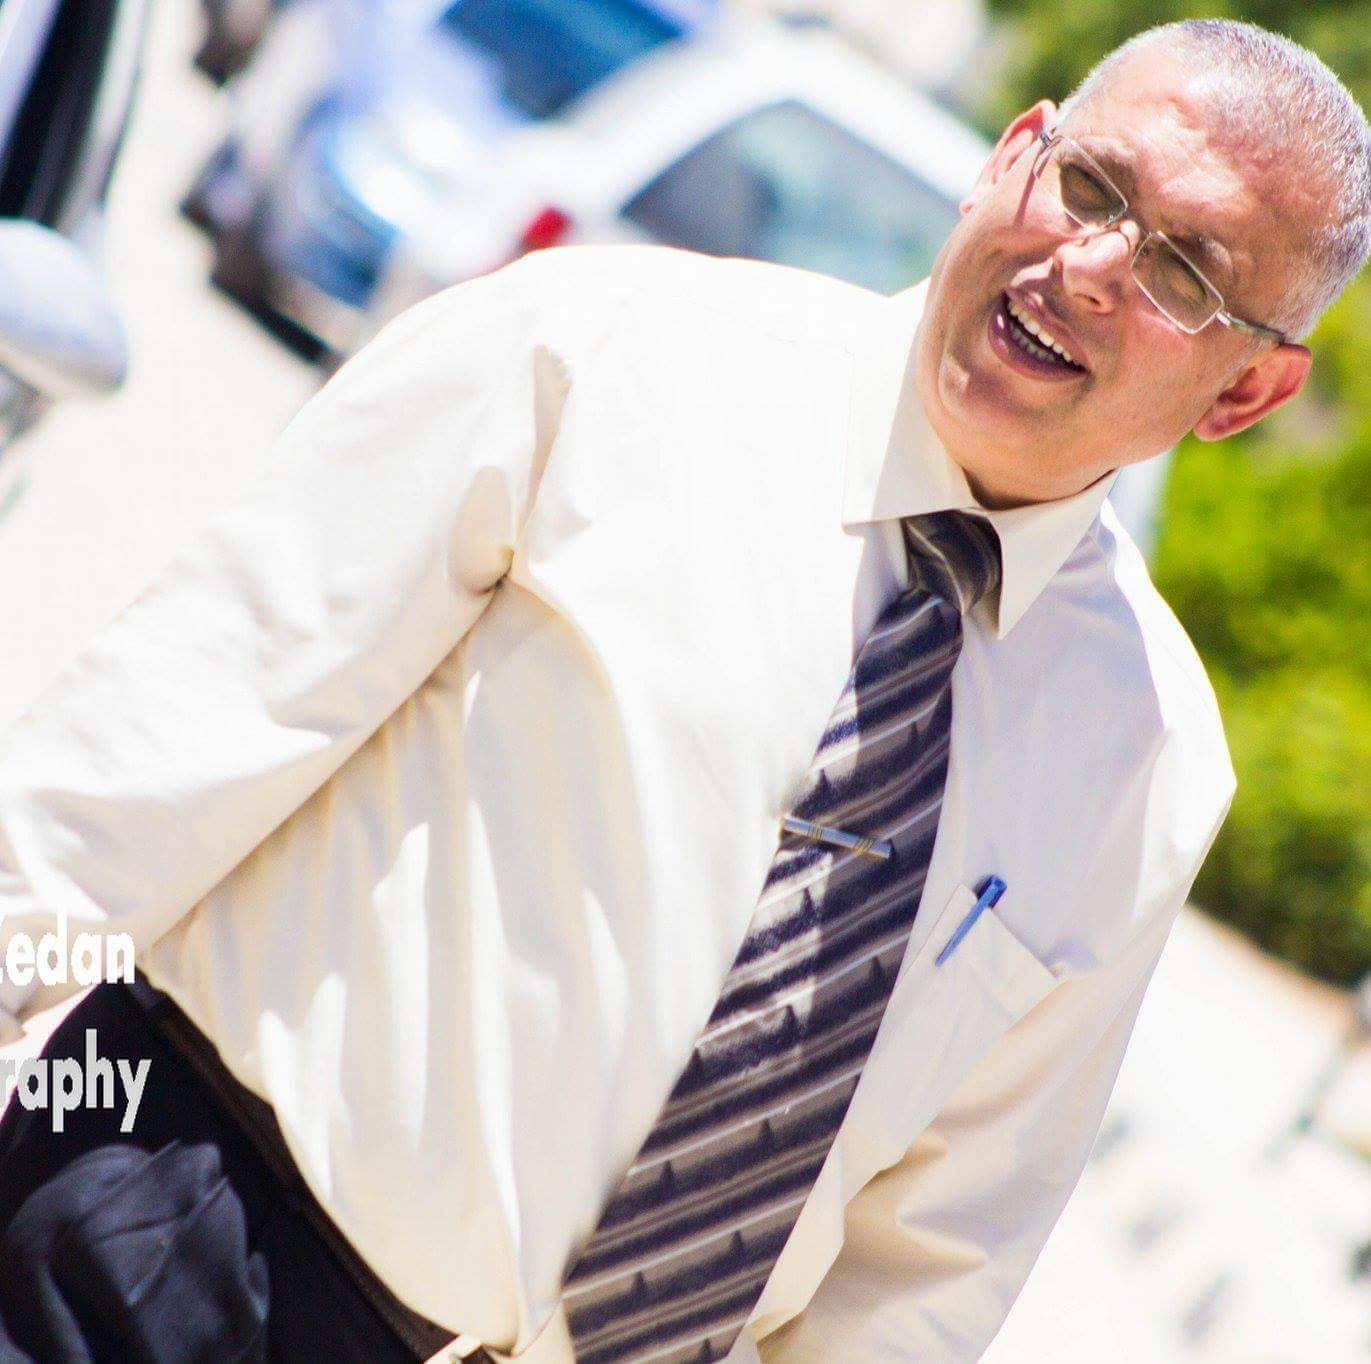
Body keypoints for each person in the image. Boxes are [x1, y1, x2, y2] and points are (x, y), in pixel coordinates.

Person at [0, 16, 1368, 1364]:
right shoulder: (606, 353)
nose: (1090, 264)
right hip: (164, 1233)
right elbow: (131, 773)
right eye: (1090, 186)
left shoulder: (1147, 760)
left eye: (1182, 271)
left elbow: (929, 1270)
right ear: (1014, 155)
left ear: (1247, 391)